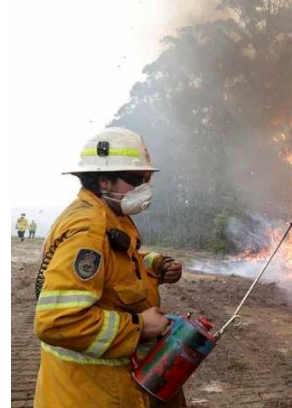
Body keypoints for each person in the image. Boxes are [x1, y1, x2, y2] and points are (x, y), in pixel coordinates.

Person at [33, 127, 185, 408]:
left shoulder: (112, 216)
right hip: (92, 393)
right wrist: (140, 327)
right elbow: (57, 322)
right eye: (135, 179)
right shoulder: (88, 231)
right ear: (104, 181)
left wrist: (157, 265)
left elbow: (122, 262)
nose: (144, 187)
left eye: (147, 178)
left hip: (103, 387)